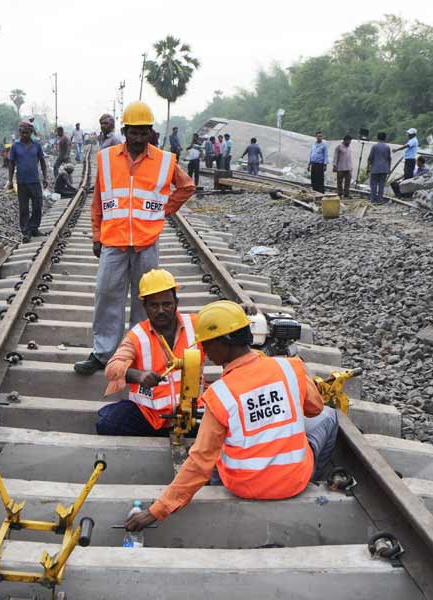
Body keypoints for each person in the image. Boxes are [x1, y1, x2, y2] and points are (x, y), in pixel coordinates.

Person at [125, 301, 339, 532]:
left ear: (224, 342)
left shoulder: (221, 394)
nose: (204, 352)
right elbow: (315, 408)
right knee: (329, 415)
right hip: (294, 482)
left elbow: (199, 462)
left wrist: (156, 510)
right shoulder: (290, 368)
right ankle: (316, 475)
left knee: (222, 443)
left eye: (206, 344)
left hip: (244, 486)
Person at [74, 101, 195, 375]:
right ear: (125, 130)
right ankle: (104, 354)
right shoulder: (106, 159)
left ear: (150, 132)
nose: (138, 138)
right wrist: (96, 234)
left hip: (146, 242)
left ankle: (140, 354)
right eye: (134, 132)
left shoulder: (165, 161)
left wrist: (165, 210)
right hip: (113, 241)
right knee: (106, 296)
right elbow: (97, 201)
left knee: (148, 302)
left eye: (143, 133)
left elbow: (187, 186)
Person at [96, 270, 204, 436]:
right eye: (154, 305)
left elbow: (222, 325)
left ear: (176, 302)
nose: (161, 310)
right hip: (150, 415)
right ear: (145, 307)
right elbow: (112, 367)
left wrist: (240, 310)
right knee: (108, 423)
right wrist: (138, 376)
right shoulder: (137, 336)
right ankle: (165, 433)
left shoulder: (195, 324)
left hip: (192, 412)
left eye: (167, 304)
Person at [8, 120, 49, 243]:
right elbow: (11, 163)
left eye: (27, 133)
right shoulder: (15, 146)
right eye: (22, 132)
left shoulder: (36, 145)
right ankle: (26, 232)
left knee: (38, 206)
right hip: (22, 182)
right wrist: (10, 180)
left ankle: (34, 228)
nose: (24, 135)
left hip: (35, 181)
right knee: (24, 208)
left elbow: (42, 161)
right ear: (20, 132)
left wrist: (45, 177)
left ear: (31, 132)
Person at [366, 131, 391, 205]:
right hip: (384, 169)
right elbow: (389, 158)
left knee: (373, 184)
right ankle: (380, 199)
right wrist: (389, 168)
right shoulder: (387, 147)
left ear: (378, 138)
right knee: (381, 184)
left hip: (375, 169)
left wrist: (368, 168)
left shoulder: (374, 146)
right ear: (385, 138)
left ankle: (373, 199)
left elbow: (370, 158)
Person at [333, 135, 353, 199]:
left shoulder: (349, 147)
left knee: (347, 182)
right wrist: (334, 165)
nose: (349, 142)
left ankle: (346, 194)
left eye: (350, 141)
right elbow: (335, 157)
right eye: (348, 141)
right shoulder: (339, 147)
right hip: (340, 167)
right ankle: (340, 194)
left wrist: (351, 167)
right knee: (340, 182)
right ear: (345, 140)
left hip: (348, 168)